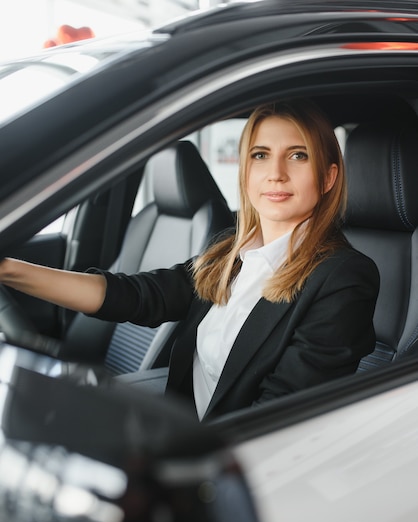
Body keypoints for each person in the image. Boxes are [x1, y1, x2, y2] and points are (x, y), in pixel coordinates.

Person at [0, 99, 379, 422]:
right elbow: (136, 295)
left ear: (328, 177)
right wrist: (9, 270)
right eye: (260, 155)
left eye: (298, 155)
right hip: (184, 436)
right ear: (245, 172)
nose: (275, 174)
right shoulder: (229, 254)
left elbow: (280, 415)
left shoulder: (344, 277)